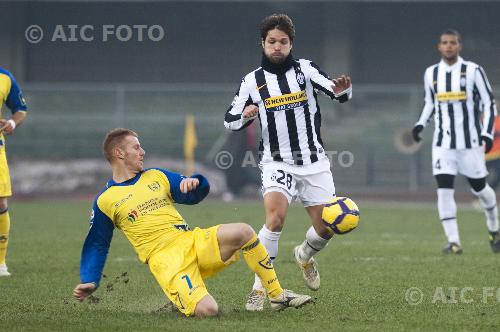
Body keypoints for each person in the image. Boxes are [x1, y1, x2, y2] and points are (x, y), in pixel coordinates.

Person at [72, 128, 312, 317]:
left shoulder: (156, 176)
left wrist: (195, 183)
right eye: (136, 147)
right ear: (119, 153)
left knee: (244, 231)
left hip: (191, 240)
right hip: (168, 261)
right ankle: (183, 297)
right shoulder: (105, 200)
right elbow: (97, 244)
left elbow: (192, 192)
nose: (142, 151)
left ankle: (277, 295)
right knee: (209, 311)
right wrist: (90, 279)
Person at [224, 13, 352, 311]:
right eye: (272, 42)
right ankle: (259, 288)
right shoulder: (252, 81)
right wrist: (244, 117)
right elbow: (229, 119)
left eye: (283, 41)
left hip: (314, 162)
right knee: (275, 219)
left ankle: (305, 255)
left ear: (291, 43)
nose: (277, 47)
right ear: (263, 44)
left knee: (326, 227)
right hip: (276, 162)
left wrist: (343, 90)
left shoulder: (305, 70)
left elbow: (333, 90)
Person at [412, 29, 500, 254]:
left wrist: (487, 134)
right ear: (439, 47)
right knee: (444, 190)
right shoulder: (431, 73)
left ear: (460, 46)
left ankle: (494, 227)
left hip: (470, 143)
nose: (449, 46)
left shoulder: (473, 71)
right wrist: (420, 124)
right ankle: (454, 242)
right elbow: (430, 103)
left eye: (453, 42)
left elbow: (489, 104)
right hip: (442, 144)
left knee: (481, 189)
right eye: (444, 42)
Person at [0, 68, 28, 277]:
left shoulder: (5, 77)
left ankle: (0, 263)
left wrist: (12, 122)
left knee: (0, 201)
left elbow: (20, 109)